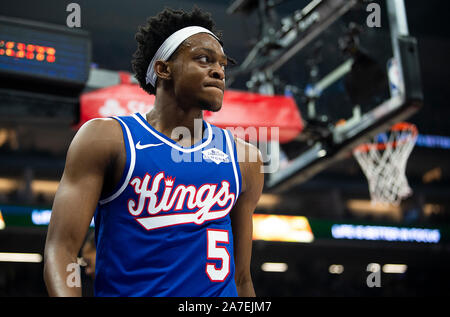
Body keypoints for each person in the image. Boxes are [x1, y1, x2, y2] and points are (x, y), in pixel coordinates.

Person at [43, 6, 264, 297]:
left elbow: (242, 279)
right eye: (203, 59)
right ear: (163, 68)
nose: (218, 71)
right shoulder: (107, 138)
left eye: (223, 64)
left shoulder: (244, 158)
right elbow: (62, 251)